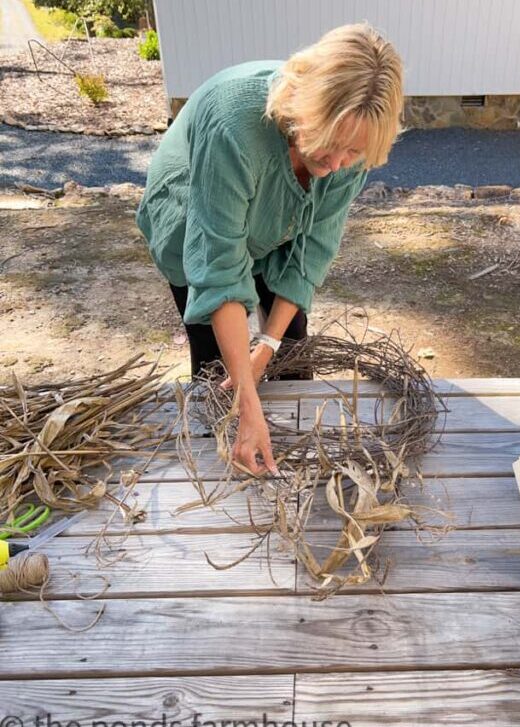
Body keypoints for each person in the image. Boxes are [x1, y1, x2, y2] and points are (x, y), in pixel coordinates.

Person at [136, 22, 404, 477]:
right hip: (193, 211)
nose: (337, 166)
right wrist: (246, 403)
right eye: (330, 146)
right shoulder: (235, 127)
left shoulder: (354, 144)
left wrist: (269, 344)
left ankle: (274, 446)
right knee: (219, 367)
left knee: (288, 354)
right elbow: (218, 270)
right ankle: (222, 462)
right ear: (306, 109)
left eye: (352, 154)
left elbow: (312, 251)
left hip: (277, 216)